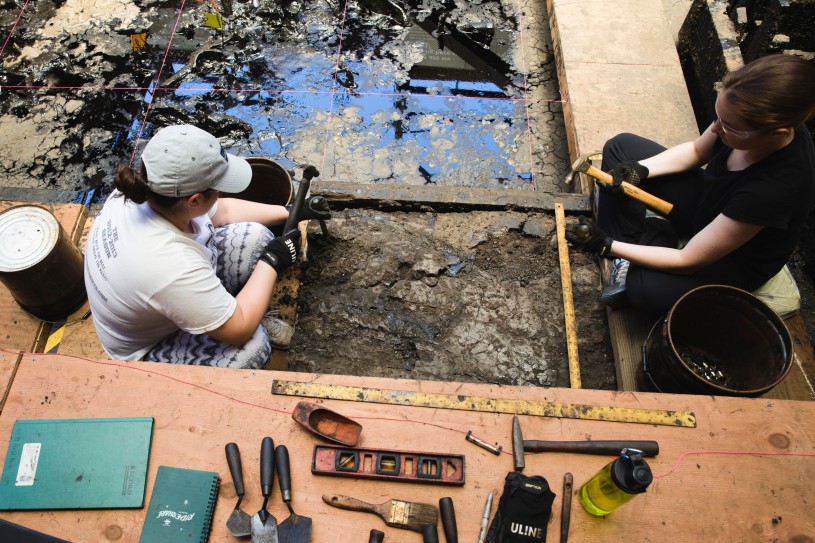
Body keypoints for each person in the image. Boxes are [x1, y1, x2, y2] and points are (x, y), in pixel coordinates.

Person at [565, 54, 815, 314]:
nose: (716, 129)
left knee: (644, 290)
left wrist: (606, 245)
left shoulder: (776, 187)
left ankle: (640, 242)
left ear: (777, 133)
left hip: (730, 259)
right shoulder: (742, 116)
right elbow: (697, 152)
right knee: (621, 148)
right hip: (709, 207)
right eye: (718, 117)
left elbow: (688, 260)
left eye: (729, 126)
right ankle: (648, 241)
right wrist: (641, 171)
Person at [84, 124, 330, 369]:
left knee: (255, 236)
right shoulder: (169, 265)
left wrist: (292, 213)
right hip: (150, 344)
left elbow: (224, 211)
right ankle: (220, 317)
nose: (221, 192)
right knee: (252, 349)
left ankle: (218, 310)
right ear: (194, 200)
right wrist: (273, 262)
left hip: (159, 296)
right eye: (218, 187)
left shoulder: (145, 192)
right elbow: (239, 330)